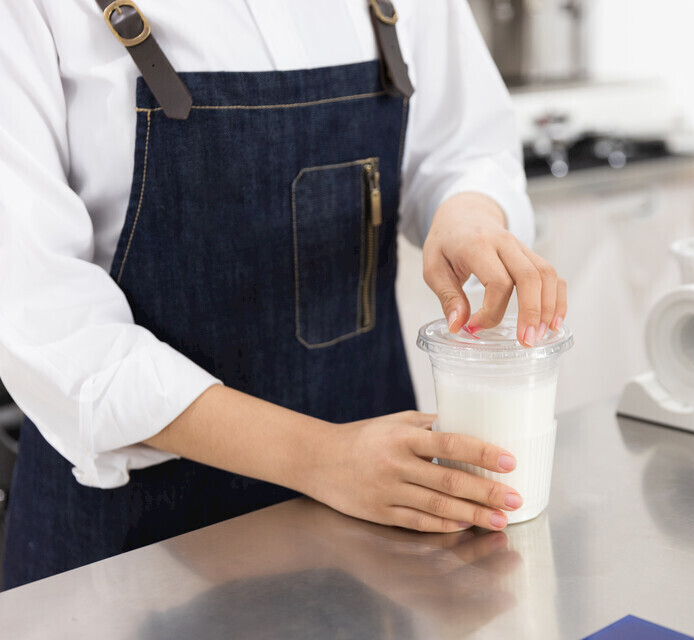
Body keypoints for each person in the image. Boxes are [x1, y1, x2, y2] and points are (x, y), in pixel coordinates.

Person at [0, 0, 567, 589]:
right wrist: (325, 458)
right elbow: (44, 320)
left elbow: (465, 144)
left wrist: (469, 213)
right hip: (138, 553)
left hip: (380, 522)